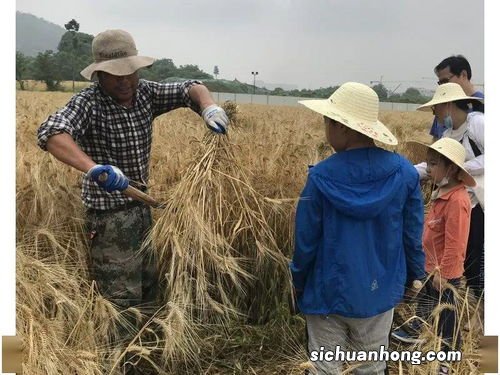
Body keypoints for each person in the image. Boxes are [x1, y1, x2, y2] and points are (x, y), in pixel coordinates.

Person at [37, 29, 229, 373]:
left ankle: (146, 364)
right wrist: (95, 168)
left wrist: (208, 106)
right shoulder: (88, 103)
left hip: (142, 212)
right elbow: (51, 132)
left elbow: (191, 87)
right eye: (115, 76)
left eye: (131, 72)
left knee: (148, 295)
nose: (125, 82)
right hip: (109, 221)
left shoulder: (146, 94)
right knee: (120, 305)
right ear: (99, 74)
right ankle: (120, 366)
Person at [290, 82, 426, 375]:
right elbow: (412, 236)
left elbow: (305, 242)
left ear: (343, 127)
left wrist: (298, 281)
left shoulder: (320, 177)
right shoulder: (404, 174)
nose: (326, 128)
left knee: (325, 367)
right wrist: (415, 277)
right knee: (371, 367)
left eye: (328, 121)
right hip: (380, 291)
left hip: (326, 292)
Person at [392, 138, 475, 374]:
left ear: (451, 168)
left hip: (443, 274)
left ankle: (446, 360)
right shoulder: (440, 193)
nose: (429, 169)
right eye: (428, 163)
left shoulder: (457, 200)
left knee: (447, 319)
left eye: (434, 164)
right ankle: (425, 344)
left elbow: (456, 243)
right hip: (431, 269)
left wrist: (445, 275)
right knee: (427, 311)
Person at [414, 83, 484, 328]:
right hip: (463, 196)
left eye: (436, 110)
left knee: (474, 258)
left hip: (480, 202)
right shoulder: (447, 136)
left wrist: (462, 166)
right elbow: (432, 164)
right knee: (462, 256)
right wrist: (409, 172)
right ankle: (438, 322)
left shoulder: (478, 124)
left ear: (447, 105)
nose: (436, 115)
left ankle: (477, 318)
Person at [430, 55, 484, 141]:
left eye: (445, 81)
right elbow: (436, 140)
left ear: (463, 75)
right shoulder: (442, 107)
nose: (443, 86)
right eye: (440, 83)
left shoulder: (483, 106)